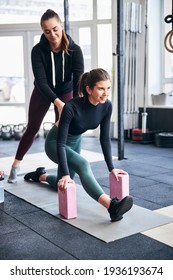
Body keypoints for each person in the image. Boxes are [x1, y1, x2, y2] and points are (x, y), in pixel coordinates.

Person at [24, 68, 133, 222]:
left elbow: (104, 139)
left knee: (62, 183)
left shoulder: (106, 106)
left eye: (108, 88)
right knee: (83, 165)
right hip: (55, 143)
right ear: (89, 89)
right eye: (101, 88)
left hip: (75, 142)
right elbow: (60, 143)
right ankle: (112, 206)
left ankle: (40, 175)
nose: (106, 93)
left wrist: (111, 167)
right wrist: (67, 174)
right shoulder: (71, 107)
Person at [7, 9, 84, 183]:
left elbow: (78, 82)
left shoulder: (75, 50)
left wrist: (74, 104)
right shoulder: (38, 51)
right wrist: (56, 102)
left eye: (55, 29)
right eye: (47, 31)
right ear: (43, 31)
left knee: (64, 131)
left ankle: (62, 172)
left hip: (65, 91)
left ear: (61, 26)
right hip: (43, 91)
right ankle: (16, 165)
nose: (52, 34)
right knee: (33, 128)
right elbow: (41, 81)